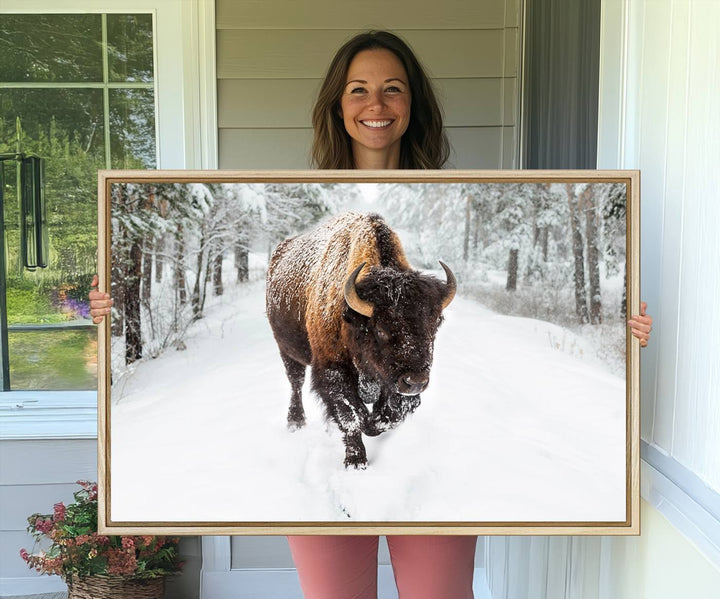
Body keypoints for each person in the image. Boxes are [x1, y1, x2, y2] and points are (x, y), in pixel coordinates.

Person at [89, 30, 653, 599]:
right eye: (358, 90)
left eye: (393, 89)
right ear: (338, 105)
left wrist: (629, 334)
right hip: (322, 356)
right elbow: (328, 362)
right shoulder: (321, 262)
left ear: (413, 104)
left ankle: (384, 416)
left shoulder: (452, 204)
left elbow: (412, 321)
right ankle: (334, 423)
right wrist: (105, 312)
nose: (376, 105)